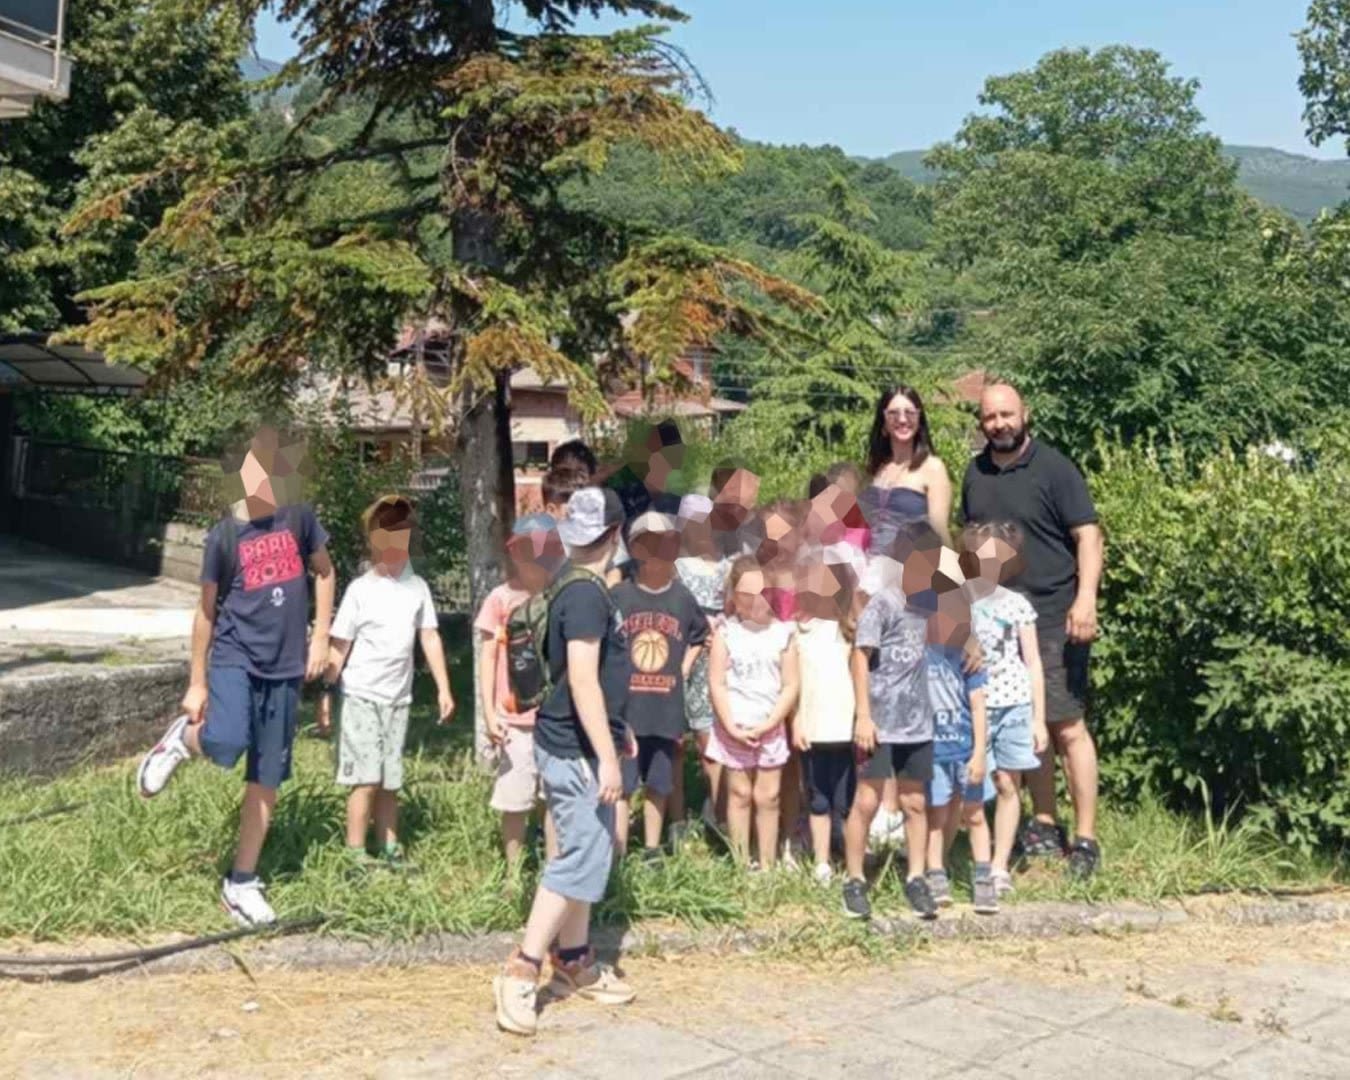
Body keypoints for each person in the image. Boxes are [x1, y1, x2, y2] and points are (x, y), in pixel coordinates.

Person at [136, 427, 334, 927]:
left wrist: (320, 637)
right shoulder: (224, 536)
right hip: (235, 656)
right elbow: (206, 612)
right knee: (225, 739)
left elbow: (325, 572)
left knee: (266, 778)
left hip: (286, 666)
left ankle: (241, 882)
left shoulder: (299, 518)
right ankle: (182, 740)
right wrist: (197, 682)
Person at [494, 486, 634, 1038]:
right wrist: (607, 758)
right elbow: (581, 680)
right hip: (576, 749)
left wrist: (616, 733)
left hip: (577, 741)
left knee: (587, 852)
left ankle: (573, 960)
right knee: (576, 856)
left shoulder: (573, 584)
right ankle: (522, 968)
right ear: (617, 534)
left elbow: (594, 682)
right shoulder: (586, 596)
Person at [960, 382, 1104, 879]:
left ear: (1025, 414)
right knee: (1024, 723)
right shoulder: (975, 473)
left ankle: (1085, 839)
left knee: (1066, 725)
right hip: (994, 620)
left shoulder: (1055, 468)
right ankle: (1044, 823)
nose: (999, 423)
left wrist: (1086, 599)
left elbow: (1088, 535)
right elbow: (971, 548)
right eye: (990, 416)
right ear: (981, 422)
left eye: (1007, 414)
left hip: (1052, 613)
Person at [316, 495, 454, 873]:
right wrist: (325, 693)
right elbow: (340, 646)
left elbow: (429, 637)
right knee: (366, 779)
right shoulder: (360, 590)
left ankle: (390, 847)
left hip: (398, 700)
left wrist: (443, 688)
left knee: (390, 779)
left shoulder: (417, 588)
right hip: (361, 697)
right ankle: (355, 853)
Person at [843, 525, 938, 921]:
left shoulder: (931, 606)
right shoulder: (883, 603)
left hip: (918, 723)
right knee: (867, 800)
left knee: (915, 802)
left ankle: (916, 878)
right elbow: (859, 656)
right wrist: (864, 715)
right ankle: (854, 880)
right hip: (879, 723)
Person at [612, 511, 709, 862]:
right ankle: (618, 852)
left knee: (659, 781)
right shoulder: (619, 596)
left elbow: (700, 635)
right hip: (627, 708)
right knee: (623, 785)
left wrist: (683, 668)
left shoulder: (682, 598)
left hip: (664, 709)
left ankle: (652, 849)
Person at [474, 513, 566, 871]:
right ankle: (513, 870)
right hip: (513, 719)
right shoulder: (499, 599)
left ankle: (552, 869)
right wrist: (489, 713)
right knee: (514, 798)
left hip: (554, 717)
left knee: (553, 796)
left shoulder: (560, 597)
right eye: (526, 550)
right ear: (514, 552)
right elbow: (487, 658)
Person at [963, 521, 1049, 897]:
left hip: (1014, 704)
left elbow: (1033, 662)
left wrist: (1038, 719)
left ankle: (999, 867)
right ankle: (969, 860)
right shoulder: (959, 600)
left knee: (1008, 784)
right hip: (973, 706)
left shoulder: (1018, 605)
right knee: (970, 786)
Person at [706, 556, 799, 869]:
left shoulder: (783, 634)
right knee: (739, 793)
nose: (756, 601)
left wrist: (772, 722)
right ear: (734, 596)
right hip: (735, 727)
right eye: (747, 595)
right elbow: (717, 683)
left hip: (771, 728)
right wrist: (730, 726)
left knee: (768, 796)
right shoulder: (726, 634)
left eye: (762, 593)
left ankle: (768, 864)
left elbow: (790, 685)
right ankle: (741, 862)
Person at [924, 589, 996, 914]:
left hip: (966, 751)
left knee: (975, 814)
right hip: (934, 752)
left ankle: (984, 878)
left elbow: (979, 707)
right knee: (936, 817)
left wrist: (979, 753)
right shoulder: (920, 654)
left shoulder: (968, 658)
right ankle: (935, 874)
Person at [792, 556, 858, 885]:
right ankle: (821, 862)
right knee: (817, 798)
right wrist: (796, 722)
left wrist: (863, 721)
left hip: (846, 731)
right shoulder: (798, 632)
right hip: (812, 729)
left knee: (846, 800)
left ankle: (849, 859)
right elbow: (794, 685)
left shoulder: (852, 632)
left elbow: (861, 681)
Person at [674, 493, 731, 833]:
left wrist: (721, 630)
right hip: (682, 657)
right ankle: (678, 819)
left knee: (712, 740)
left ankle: (719, 813)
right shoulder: (676, 567)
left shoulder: (727, 565)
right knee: (676, 744)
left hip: (718, 660)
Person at [860, 385, 953, 552]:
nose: (902, 420)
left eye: (910, 413)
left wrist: (952, 566)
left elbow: (939, 530)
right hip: (867, 565)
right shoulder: (874, 469)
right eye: (893, 413)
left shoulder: (933, 468)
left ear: (919, 418)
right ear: (883, 420)